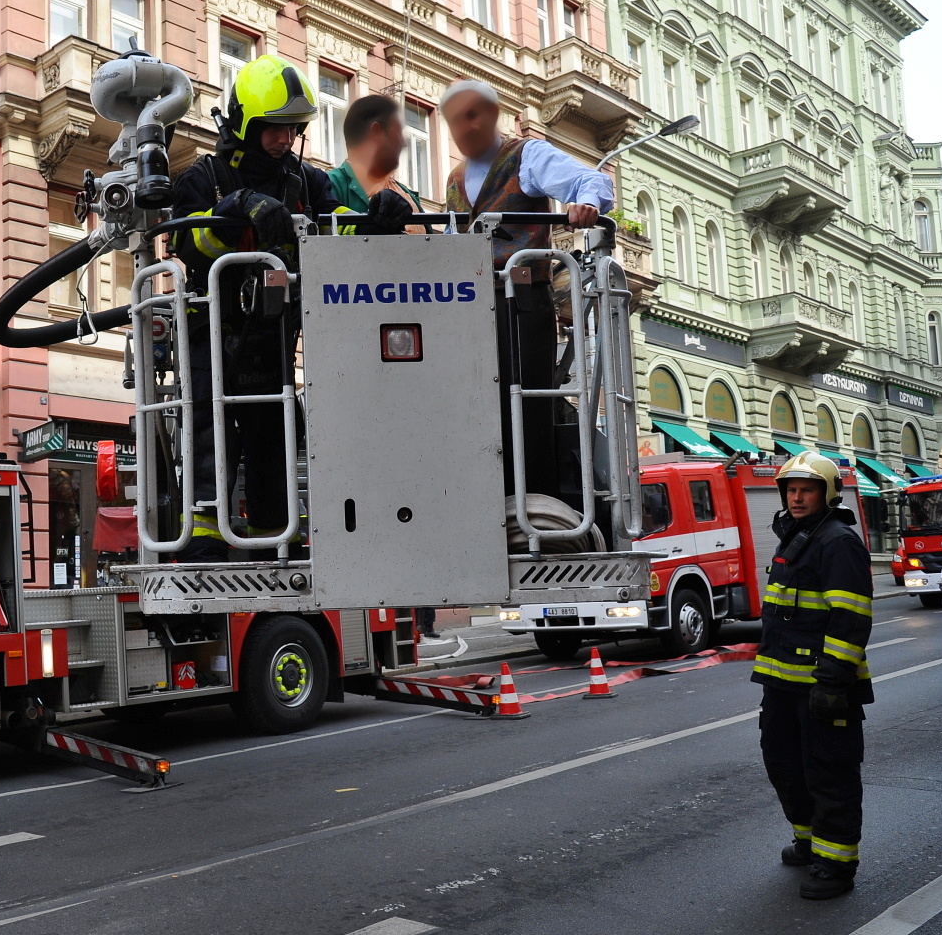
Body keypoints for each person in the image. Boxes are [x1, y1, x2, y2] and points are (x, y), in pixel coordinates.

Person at [171, 57, 410, 561]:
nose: (284, 140)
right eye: (273, 130)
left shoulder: (306, 183)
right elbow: (189, 242)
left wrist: (377, 216)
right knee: (208, 422)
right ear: (244, 124)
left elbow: (335, 226)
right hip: (209, 327)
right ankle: (205, 532)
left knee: (274, 428)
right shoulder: (204, 177)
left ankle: (274, 534)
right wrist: (235, 208)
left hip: (272, 328)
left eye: (292, 130)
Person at [439, 80, 614, 500]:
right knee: (474, 407)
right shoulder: (455, 176)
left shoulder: (526, 154)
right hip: (469, 304)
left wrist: (584, 203)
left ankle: (532, 507)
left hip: (521, 301)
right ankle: (482, 500)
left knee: (525, 408)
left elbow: (593, 181)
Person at [751, 452, 873, 900]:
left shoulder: (836, 541)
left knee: (829, 773)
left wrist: (832, 682)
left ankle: (836, 865)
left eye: (807, 489)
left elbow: (851, 618)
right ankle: (809, 841)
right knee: (784, 765)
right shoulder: (796, 535)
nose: (797, 497)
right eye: (791, 490)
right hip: (782, 684)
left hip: (824, 686)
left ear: (827, 493)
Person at [326, 95, 423, 215]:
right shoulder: (329, 186)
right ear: (377, 132)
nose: (403, 143)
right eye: (397, 132)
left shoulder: (409, 196)